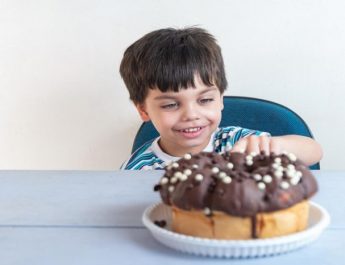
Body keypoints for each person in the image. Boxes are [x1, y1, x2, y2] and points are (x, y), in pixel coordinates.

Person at [119, 27, 322, 170]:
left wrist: (273, 147)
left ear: (220, 99)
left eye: (205, 100)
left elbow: (313, 152)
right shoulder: (138, 170)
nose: (191, 115)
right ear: (143, 110)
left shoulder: (234, 142)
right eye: (171, 104)